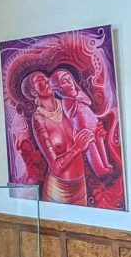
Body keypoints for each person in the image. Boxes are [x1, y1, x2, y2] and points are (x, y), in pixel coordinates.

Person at [21, 70, 94, 205]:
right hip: (58, 190)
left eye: (46, 77)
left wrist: (97, 135)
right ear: (33, 92)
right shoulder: (38, 119)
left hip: (81, 185)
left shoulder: (68, 104)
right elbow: (55, 167)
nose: (47, 80)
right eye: (39, 80)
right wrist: (77, 148)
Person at [50, 68, 111, 177]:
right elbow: (70, 113)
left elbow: (88, 101)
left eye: (69, 78)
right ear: (59, 88)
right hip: (82, 128)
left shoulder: (78, 93)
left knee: (99, 141)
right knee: (91, 147)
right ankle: (100, 169)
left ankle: (106, 164)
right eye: (64, 81)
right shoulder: (66, 100)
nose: (69, 82)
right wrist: (74, 99)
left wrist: (78, 97)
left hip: (93, 123)